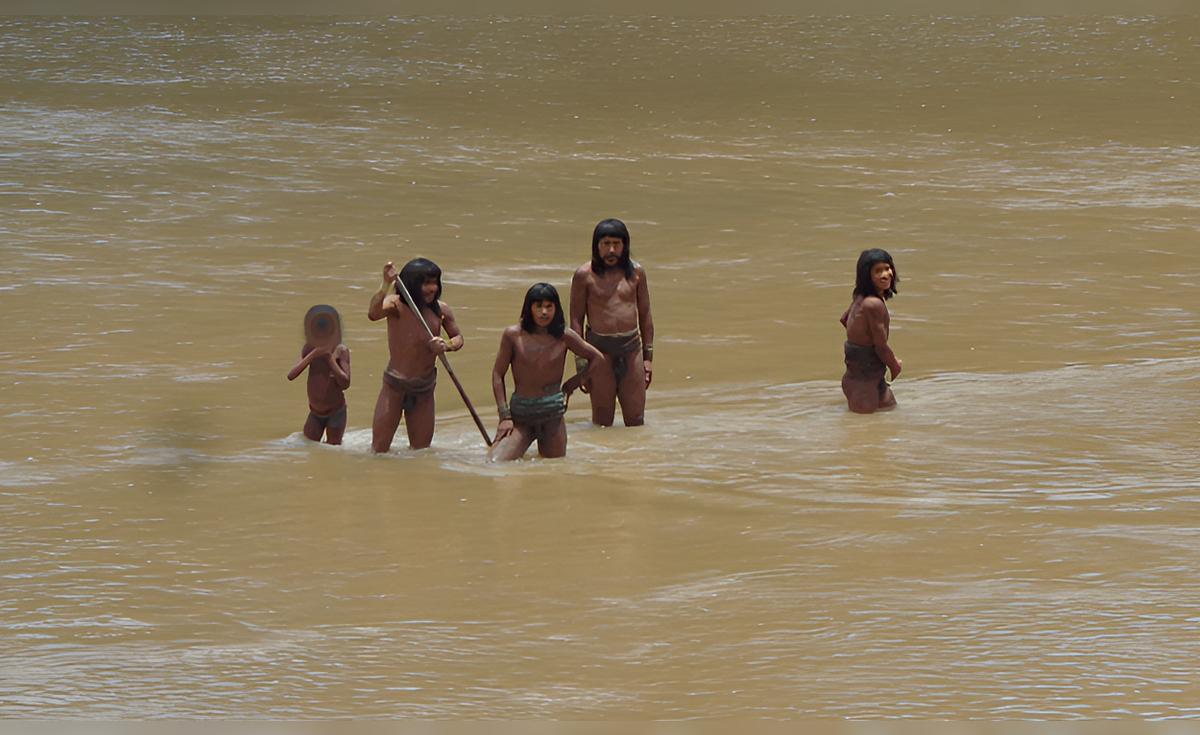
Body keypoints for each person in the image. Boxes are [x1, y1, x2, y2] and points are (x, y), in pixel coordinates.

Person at [489, 283, 604, 461]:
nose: (544, 312)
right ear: (529, 308)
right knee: (495, 462)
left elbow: (597, 359)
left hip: (552, 415)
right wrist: (504, 416)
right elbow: (498, 375)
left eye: (549, 306)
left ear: (556, 309)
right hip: (521, 416)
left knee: (555, 468)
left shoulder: (564, 336)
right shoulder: (513, 335)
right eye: (539, 306)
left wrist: (571, 384)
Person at [367, 258, 463, 452]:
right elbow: (373, 313)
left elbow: (458, 337)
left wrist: (446, 345)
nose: (432, 288)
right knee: (379, 450)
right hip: (394, 386)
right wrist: (386, 284)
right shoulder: (396, 305)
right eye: (426, 283)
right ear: (412, 284)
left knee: (421, 452)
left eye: (435, 282)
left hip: (424, 390)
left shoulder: (441, 310)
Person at [569, 218, 655, 427]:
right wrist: (581, 365)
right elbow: (576, 320)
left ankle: (634, 459)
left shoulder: (636, 273)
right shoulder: (584, 276)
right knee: (602, 422)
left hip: (631, 349)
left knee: (636, 420)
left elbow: (645, 316)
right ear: (596, 246)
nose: (611, 250)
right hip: (598, 354)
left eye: (617, 244)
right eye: (606, 244)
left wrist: (648, 358)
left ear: (625, 246)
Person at [840, 248, 902, 414]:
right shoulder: (874, 304)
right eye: (878, 271)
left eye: (887, 268)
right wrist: (895, 365)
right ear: (867, 276)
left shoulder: (859, 297)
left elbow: (844, 319)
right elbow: (880, 346)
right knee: (864, 434)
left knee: (888, 414)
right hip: (865, 385)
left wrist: (860, 338)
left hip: (861, 378)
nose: (885, 274)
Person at [286, 305, 351, 444]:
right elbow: (291, 375)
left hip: (336, 412)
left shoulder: (341, 351)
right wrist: (312, 355)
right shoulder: (309, 348)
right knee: (309, 446)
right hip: (315, 413)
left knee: (333, 450)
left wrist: (330, 360)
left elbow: (345, 383)